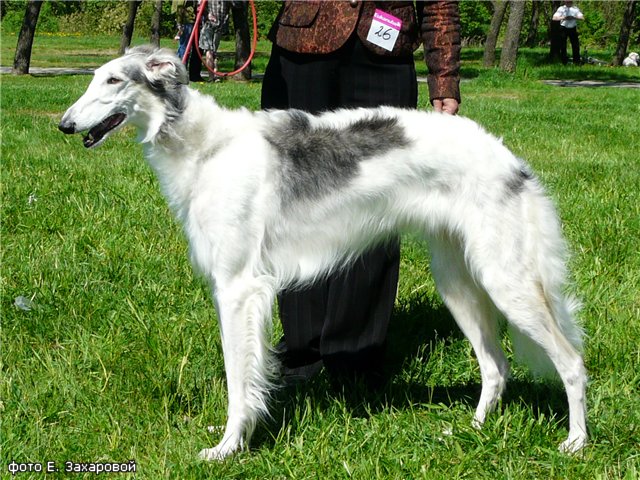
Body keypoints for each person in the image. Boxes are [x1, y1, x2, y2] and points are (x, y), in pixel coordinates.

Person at [261, 1, 461, 385]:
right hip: (303, 49)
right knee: (297, 203)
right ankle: (302, 349)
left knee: (377, 206)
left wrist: (444, 77)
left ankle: (355, 356)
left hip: (384, 57)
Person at [199, 0, 230, 81]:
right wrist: (208, 14)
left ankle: (214, 75)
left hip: (219, 27)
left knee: (213, 51)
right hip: (208, 25)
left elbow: (234, 5)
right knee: (209, 50)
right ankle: (211, 76)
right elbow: (200, 6)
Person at [553, 1, 585, 66]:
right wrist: (564, 18)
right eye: (567, 2)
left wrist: (574, 17)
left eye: (570, 2)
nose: (568, 3)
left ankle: (576, 61)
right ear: (565, 2)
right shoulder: (561, 8)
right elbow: (554, 18)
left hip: (573, 28)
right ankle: (564, 61)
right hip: (563, 28)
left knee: (575, 45)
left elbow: (582, 18)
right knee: (563, 45)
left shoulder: (575, 9)